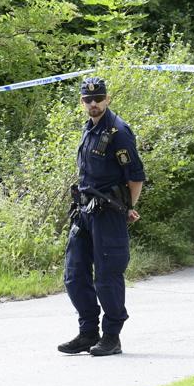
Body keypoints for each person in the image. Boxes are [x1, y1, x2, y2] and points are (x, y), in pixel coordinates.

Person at [57, 76, 145, 357]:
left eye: (98, 99)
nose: (93, 104)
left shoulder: (118, 132)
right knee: (74, 274)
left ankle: (111, 336)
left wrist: (127, 206)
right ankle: (87, 333)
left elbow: (135, 177)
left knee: (107, 276)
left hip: (108, 214)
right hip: (83, 212)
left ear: (107, 99)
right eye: (88, 100)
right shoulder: (89, 128)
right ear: (82, 102)